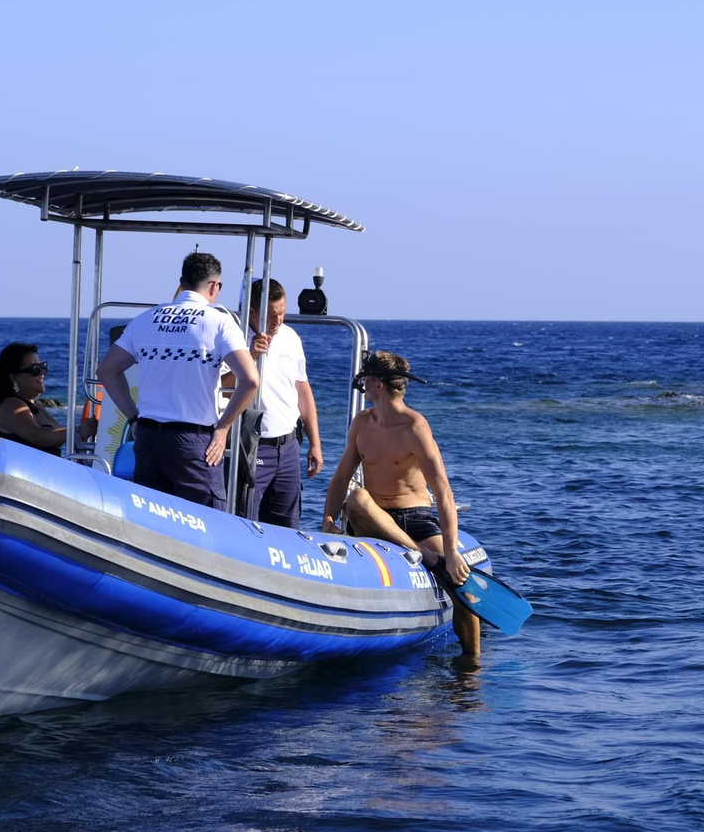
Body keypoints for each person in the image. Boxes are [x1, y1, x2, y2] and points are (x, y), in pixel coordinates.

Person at [320, 351, 478, 657]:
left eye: (366, 378)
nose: (363, 383)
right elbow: (341, 478)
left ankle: (471, 667)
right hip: (373, 519)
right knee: (358, 497)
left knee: (464, 589)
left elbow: (443, 491)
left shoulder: (414, 427)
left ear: (378, 384)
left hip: (415, 518)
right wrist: (328, 520)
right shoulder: (362, 423)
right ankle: (423, 556)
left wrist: (452, 549)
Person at [95, 251, 259, 511]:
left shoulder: (145, 320)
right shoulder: (219, 323)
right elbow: (250, 380)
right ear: (215, 286)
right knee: (205, 523)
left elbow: (106, 370)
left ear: (182, 283)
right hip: (194, 443)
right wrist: (223, 428)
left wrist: (134, 418)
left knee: (150, 521)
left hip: (148, 438)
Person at [223, 278, 322, 528]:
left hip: (288, 446)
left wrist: (315, 443)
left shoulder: (291, 337)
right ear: (253, 312)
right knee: (246, 519)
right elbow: (221, 387)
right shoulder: (233, 337)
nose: (278, 320)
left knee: (288, 523)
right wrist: (251, 355)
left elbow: (303, 390)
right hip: (252, 445)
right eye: (272, 314)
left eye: (282, 312)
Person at [0, 343, 95, 456]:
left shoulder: (35, 405)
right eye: (35, 369)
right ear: (14, 377)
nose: (42, 372)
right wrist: (77, 431)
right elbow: (36, 435)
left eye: (43, 366)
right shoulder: (10, 405)